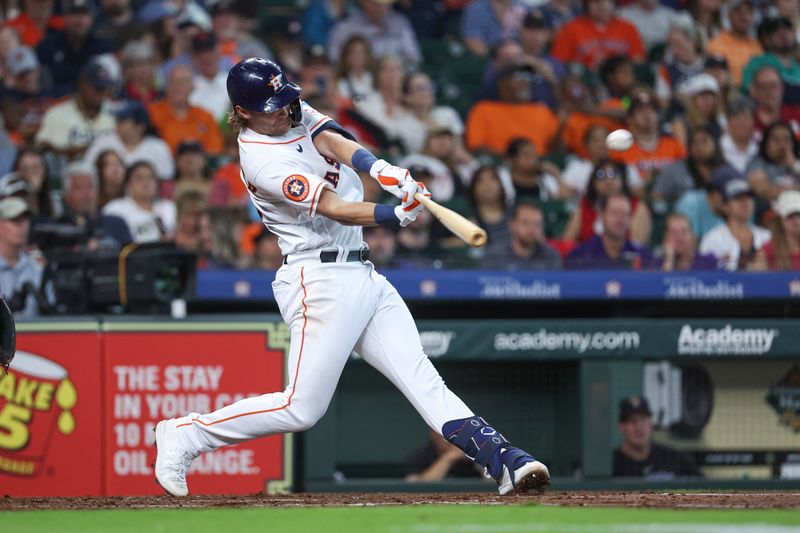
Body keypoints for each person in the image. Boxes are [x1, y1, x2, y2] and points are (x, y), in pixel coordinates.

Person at [153, 58, 550, 498]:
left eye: (284, 99)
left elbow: (332, 139)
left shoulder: (292, 111)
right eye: (271, 106)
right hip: (317, 279)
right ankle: (188, 434)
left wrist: (380, 169)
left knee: (422, 379)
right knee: (301, 407)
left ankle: (505, 461)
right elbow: (334, 207)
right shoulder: (261, 160)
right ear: (243, 111)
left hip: (361, 271)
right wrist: (392, 214)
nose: (284, 110)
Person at [35, 59, 116, 158]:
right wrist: (72, 152)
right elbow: (42, 147)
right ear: (82, 85)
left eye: (105, 88)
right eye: (97, 88)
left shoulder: (118, 112)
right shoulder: (56, 114)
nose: (102, 94)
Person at [83, 100, 174, 180]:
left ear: (139, 126)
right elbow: (86, 172)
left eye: (123, 121)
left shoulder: (158, 148)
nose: (117, 124)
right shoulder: (103, 142)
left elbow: (166, 181)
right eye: (117, 120)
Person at [613, 395, 701, 479]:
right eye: (633, 421)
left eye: (643, 419)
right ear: (621, 427)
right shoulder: (612, 465)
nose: (639, 427)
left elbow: (706, 489)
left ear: (651, 422)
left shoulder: (674, 459)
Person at [53, 161, 133, 248]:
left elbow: (132, 258)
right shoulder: (57, 229)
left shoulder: (117, 223)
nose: (86, 193)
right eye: (79, 187)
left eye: (90, 186)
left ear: (97, 192)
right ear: (66, 196)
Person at [148, 64, 224, 155]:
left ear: (192, 87)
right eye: (173, 81)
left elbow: (214, 150)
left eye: (183, 82)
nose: (177, 86)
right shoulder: (152, 112)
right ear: (166, 86)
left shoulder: (205, 117)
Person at [699, 175, 771, 270]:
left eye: (748, 197)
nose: (745, 202)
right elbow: (704, 275)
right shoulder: (712, 239)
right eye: (738, 198)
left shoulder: (767, 236)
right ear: (725, 206)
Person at [566, 192, 653, 269]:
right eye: (614, 213)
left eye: (625, 214)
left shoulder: (642, 255)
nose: (620, 220)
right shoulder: (581, 255)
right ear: (602, 215)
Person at [551, 0, 645, 70]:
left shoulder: (628, 27)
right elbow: (559, 62)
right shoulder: (571, 28)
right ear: (586, 5)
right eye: (595, 1)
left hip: (621, 81)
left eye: (605, 0)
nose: (600, 4)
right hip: (587, 83)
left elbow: (638, 60)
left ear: (613, 3)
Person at [101, 160, 177, 243]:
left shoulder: (169, 207)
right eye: (139, 178)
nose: (145, 182)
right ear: (128, 184)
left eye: (150, 177)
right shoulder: (115, 209)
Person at [327, 0, 421, 65]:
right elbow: (334, 58)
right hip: (359, 80)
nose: (381, 6)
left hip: (395, 80)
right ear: (363, 2)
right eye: (375, 3)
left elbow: (414, 58)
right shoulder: (345, 27)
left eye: (385, 2)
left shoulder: (400, 22)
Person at [482, 202, 562, 270]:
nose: (531, 229)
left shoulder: (551, 256)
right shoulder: (494, 256)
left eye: (537, 224)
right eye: (525, 223)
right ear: (512, 225)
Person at [0, 196, 42, 316]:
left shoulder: (37, 268)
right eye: (15, 220)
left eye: (25, 220)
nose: (22, 226)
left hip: (33, 333)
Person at [706, 0, 762, 86]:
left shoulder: (756, 45)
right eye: (738, 10)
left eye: (749, 11)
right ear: (729, 15)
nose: (744, 15)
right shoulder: (717, 44)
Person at [406, 429, 483, 481]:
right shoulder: (420, 456)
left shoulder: (472, 451)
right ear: (434, 434)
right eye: (446, 435)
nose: (453, 439)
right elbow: (418, 489)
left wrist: (481, 460)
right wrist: (448, 458)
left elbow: (492, 485)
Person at [755, 190, 800, 270]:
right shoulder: (767, 251)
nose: (797, 221)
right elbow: (755, 279)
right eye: (790, 216)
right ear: (780, 220)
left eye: (799, 215)